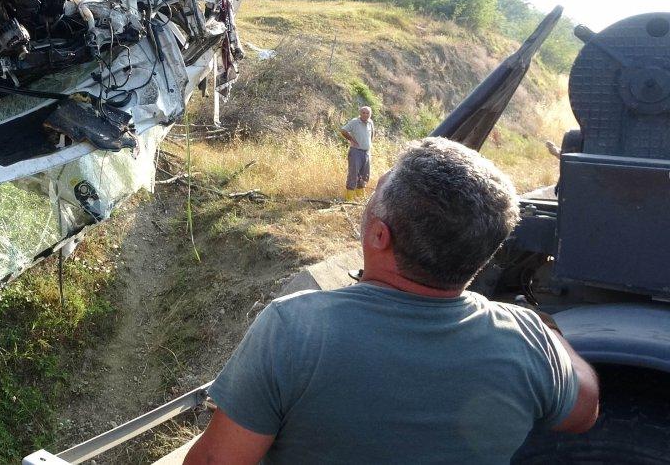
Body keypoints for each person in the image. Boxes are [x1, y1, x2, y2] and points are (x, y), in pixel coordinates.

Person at [185, 137, 599, 465]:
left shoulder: (294, 329)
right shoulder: (526, 339)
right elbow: (584, 412)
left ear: (379, 235)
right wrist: (550, 336)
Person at [339, 106, 374, 201]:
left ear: (370, 114)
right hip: (356, 152)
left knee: (364, 175)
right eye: (363, 112)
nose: (365, 115)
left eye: (367, 113)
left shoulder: (370, 122)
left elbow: (371, 136)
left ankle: (360, 198)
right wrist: (351, 139)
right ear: (360, 113)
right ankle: (349, 199)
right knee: (353, 175)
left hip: (366, 153)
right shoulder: (354, 122)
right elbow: (343, 130)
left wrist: (368, 146)